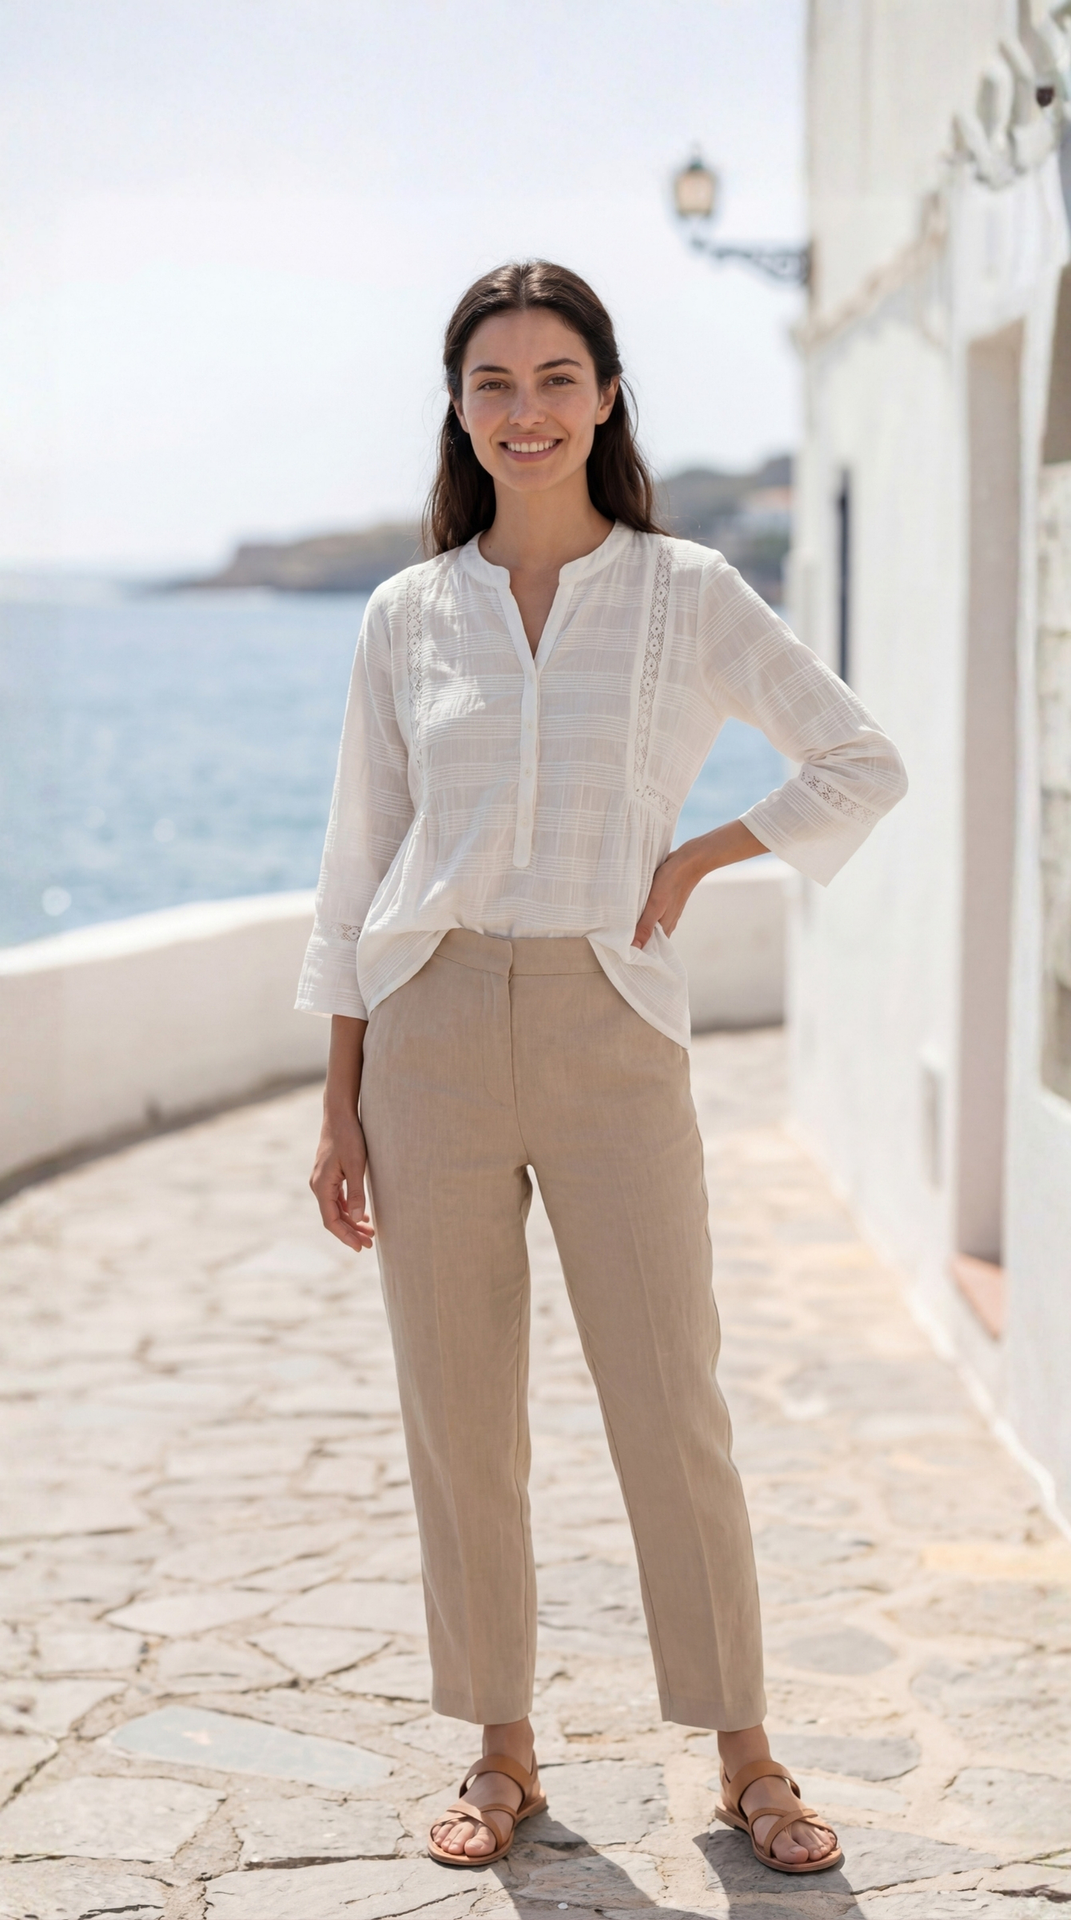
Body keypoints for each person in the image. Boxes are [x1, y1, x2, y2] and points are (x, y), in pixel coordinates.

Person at [299, 260, 907, 1878]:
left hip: (610, 1026)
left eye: (555, 376)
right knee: (459, 1412)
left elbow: (858, 757)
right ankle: (499, 1751)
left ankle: (745, 1754)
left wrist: (702, 855)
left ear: (608, 394)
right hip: (425, 1031)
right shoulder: (407, 613)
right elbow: (357, 865)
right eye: (491, 381)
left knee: (669, 1402)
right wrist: (338, 1098)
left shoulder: (686, 590)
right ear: (458, 407)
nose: (524, 410)